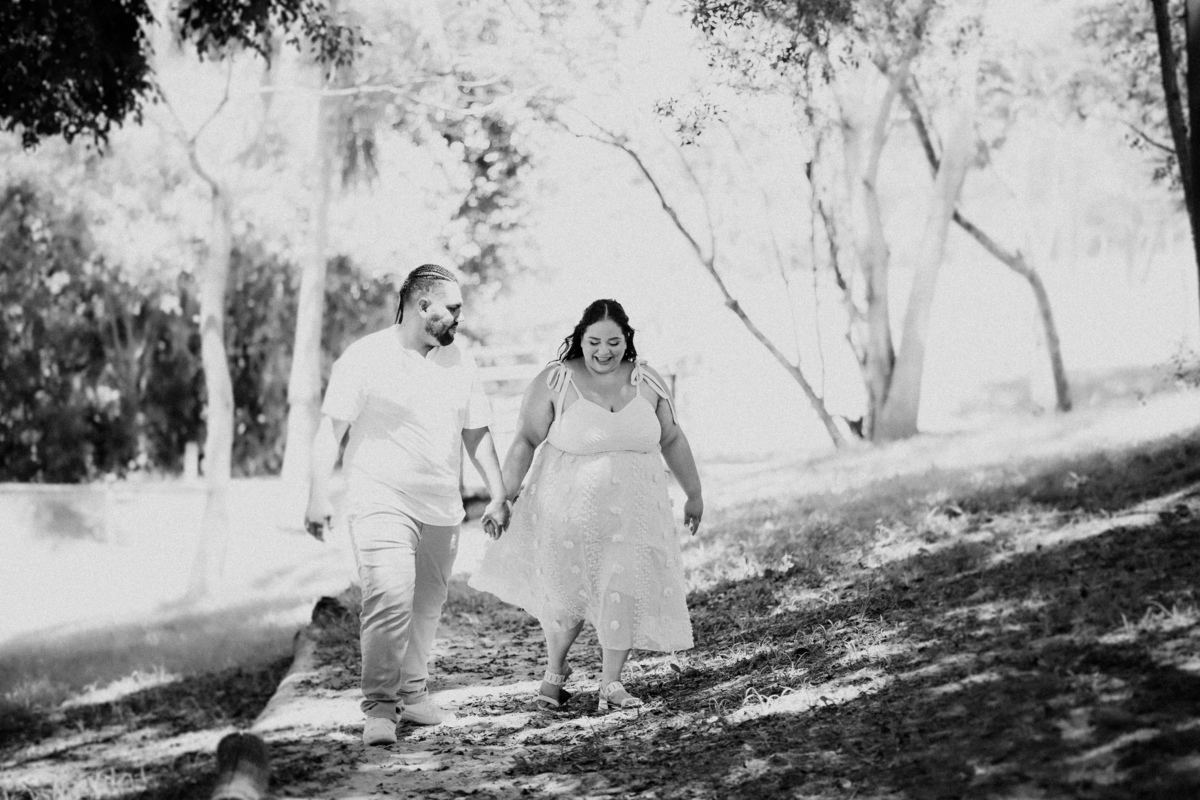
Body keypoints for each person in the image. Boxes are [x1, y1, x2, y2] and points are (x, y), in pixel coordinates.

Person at [304, 264, 509, 747]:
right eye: (452, 308)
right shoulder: (366, 356)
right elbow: (331, 430)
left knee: (426, 606)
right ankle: (379, 707)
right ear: (422, 305)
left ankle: (413, 695)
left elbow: (476, 432)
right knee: (388, 598)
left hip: (441, 504)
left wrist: (498, 492)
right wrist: (316, 495)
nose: (459, 317)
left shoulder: (461, 362)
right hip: (379, 496)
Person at [470, 299, 703, 712]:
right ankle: (555, 671)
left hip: (635, 513)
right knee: (565, 596)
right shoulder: (556, 380)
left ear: (626, 340)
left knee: (622, 589)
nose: (603, 351)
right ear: (581, 338)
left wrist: (694, 494)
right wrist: (501, 498)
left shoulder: (647, 380)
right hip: (568, 511)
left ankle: (611, 683)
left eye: (613, 342)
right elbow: (525, 440)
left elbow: (672, 438)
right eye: (594, 341)